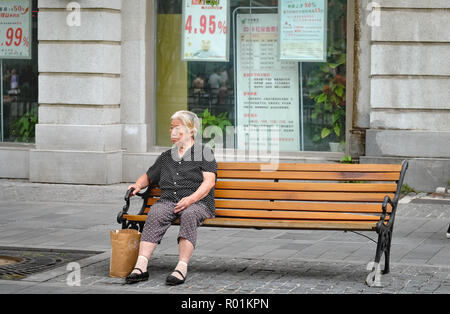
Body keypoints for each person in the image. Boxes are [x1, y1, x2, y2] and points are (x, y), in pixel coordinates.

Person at [125, 110, 217, 285]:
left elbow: (209, 182)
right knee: (156, 213)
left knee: (189, 215)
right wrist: (137, 185)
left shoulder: (204, 152)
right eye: (171, 128)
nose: (172, 132)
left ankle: (181, 267)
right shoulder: (166, 156)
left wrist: (190, 199)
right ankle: (141, 265)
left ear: (191, 131)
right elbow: (149, 176)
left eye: (177, 128)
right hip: (169, 201)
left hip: (198, 203)